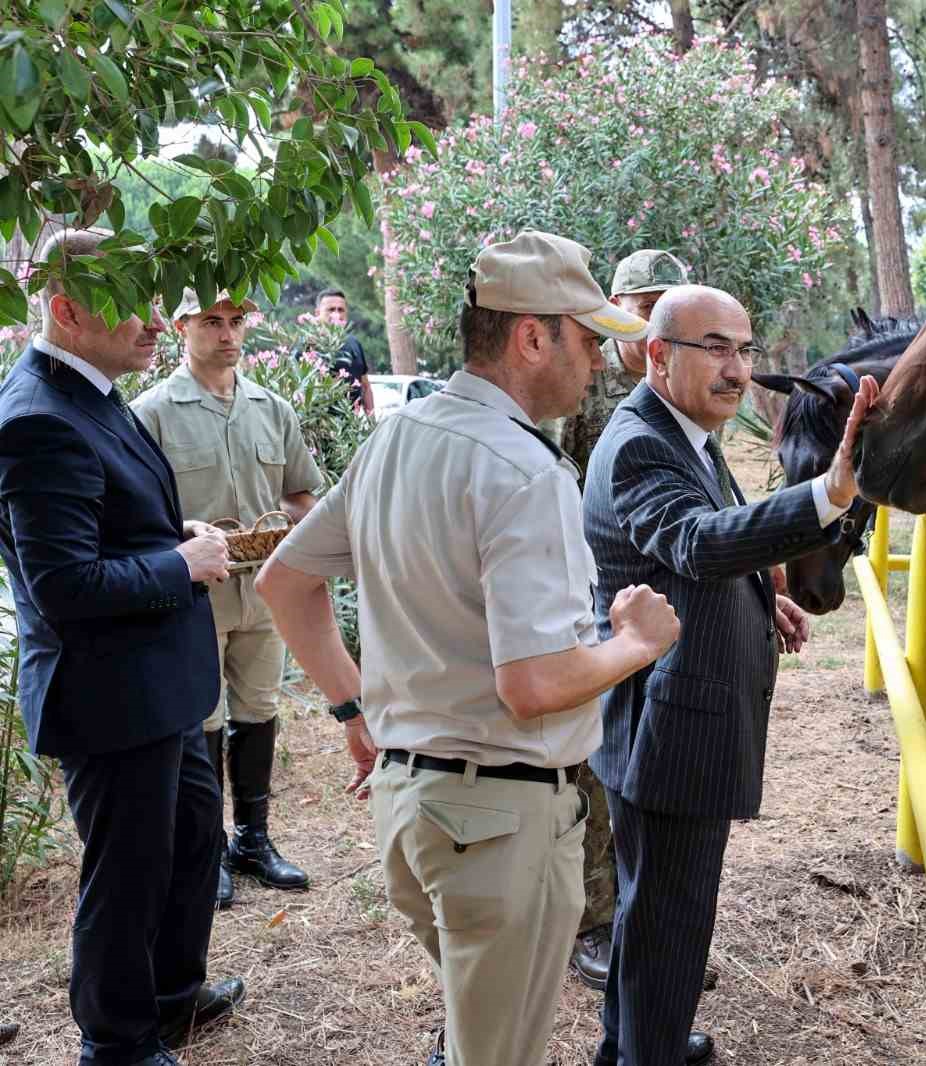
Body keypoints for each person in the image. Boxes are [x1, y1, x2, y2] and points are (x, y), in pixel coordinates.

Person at [255, 230, 681, 1066]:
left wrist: (353, 706)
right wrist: (637, 643)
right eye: (588, 339)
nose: (597, 362)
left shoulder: (395, 439)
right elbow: (534, 684)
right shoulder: (523, 471)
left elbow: (283, 583)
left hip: (414, 816)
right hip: (502, 821)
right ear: (532, 337)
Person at [583, 284, 878, 1066]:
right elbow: (697, 543)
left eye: (745, 350)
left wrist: (761, 599)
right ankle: (649, 1052)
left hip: (670, 717)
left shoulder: (684, 433)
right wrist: (829, 493)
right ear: (657, 353)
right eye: (715, 347)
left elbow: (703, 558)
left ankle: (629, 1045)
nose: (738, 369)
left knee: (650, 916)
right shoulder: (643, 442)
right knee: (670, 924)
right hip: (669, 729)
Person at [0, 230, 245, 1066]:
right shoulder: (38, 419)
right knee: (128, 875)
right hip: (109, 695)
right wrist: (180, 563)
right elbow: (63, 587)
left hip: (159, 684)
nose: (152, 319)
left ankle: (172, 997)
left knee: (187, 848)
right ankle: (116, 1041)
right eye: (130, 302)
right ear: (65, 310)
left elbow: (110, 524)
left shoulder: (92, 393)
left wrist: (173, 537)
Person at [133, 291, 324, 910]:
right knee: (205, 719)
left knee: (259, 710)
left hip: (262, 589)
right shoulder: (152, 413)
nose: (227, 334)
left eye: (236, 321)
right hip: (196, 595)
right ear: (183, 326)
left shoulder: (272, 408)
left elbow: (300, 494)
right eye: (212, 321)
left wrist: (300, 534)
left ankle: (254, 840)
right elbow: (139, 517)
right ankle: (207, 849)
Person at [562, 248, 689, 994]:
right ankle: (594, 925)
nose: (654, 319)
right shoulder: (581, 388)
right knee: (594, 770)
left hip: (654, 605)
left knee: (642, 759)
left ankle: (640, 923)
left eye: (667, 303)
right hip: (588, 600)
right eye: (645, 305)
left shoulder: (669, 390)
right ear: (615, 308)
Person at [312, 288, 374, 416]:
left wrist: (372, 422)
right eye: (331, 310)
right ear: (317, 313)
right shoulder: (308, 345)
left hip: (350, 428)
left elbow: (365, 387)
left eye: (341, 310)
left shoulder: (354, 343)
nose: (337, 315)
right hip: (318, 427)